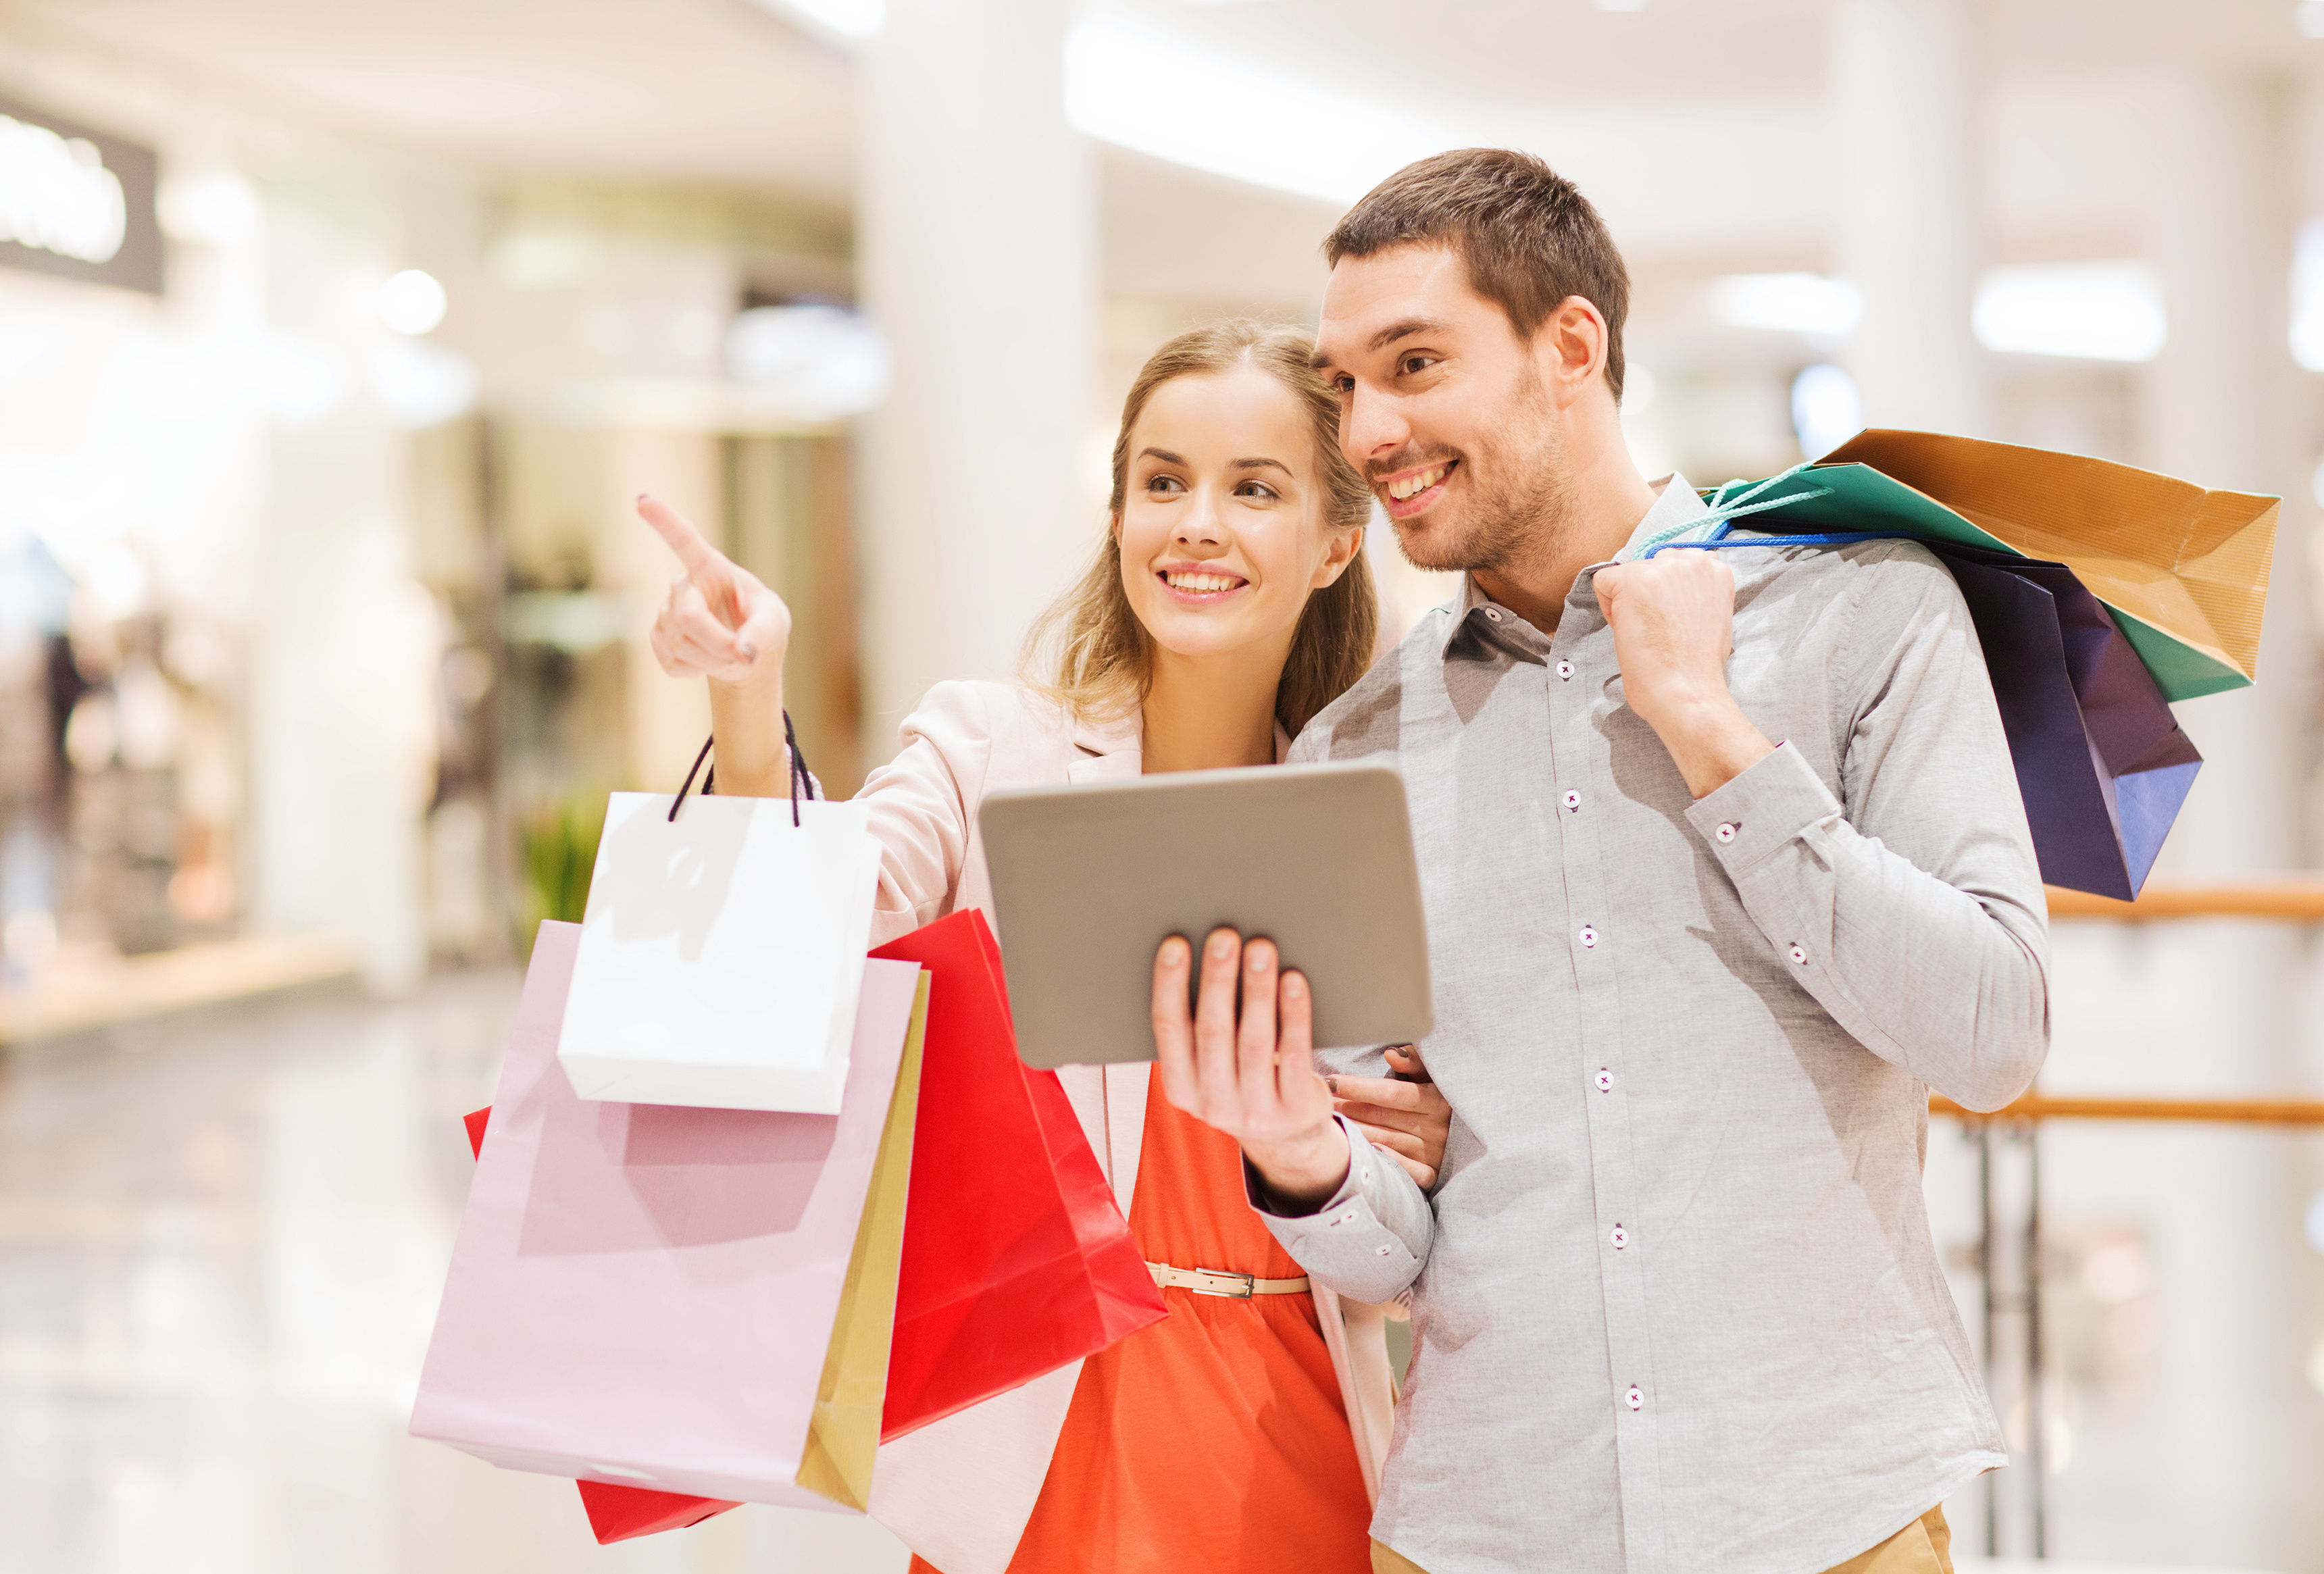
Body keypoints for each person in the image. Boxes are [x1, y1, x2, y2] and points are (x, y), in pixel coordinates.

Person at [1152, 151, 2050, 1574]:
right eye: (1345, 384)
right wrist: (1293, 1147)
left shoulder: (1863, 614)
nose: (1368, 428)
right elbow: (1393, 1255)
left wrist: (1712, 729)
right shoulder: (1356, 748)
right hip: (1484, 1526)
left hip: (1822, 1513)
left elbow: (1992, 1035)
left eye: (1414, 363)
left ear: (1570, 345)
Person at [640, 318, 1452, 1574]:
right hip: (1034, 1440)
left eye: (1255, 489)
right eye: (1164, 481)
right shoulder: (989, 753)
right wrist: (749, 707)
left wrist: (1437, 1136)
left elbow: (1432, 1199)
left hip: (1294, 1438)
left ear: (1340, 540)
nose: (1196, 523)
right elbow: (795, 930)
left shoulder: (1394, 806)